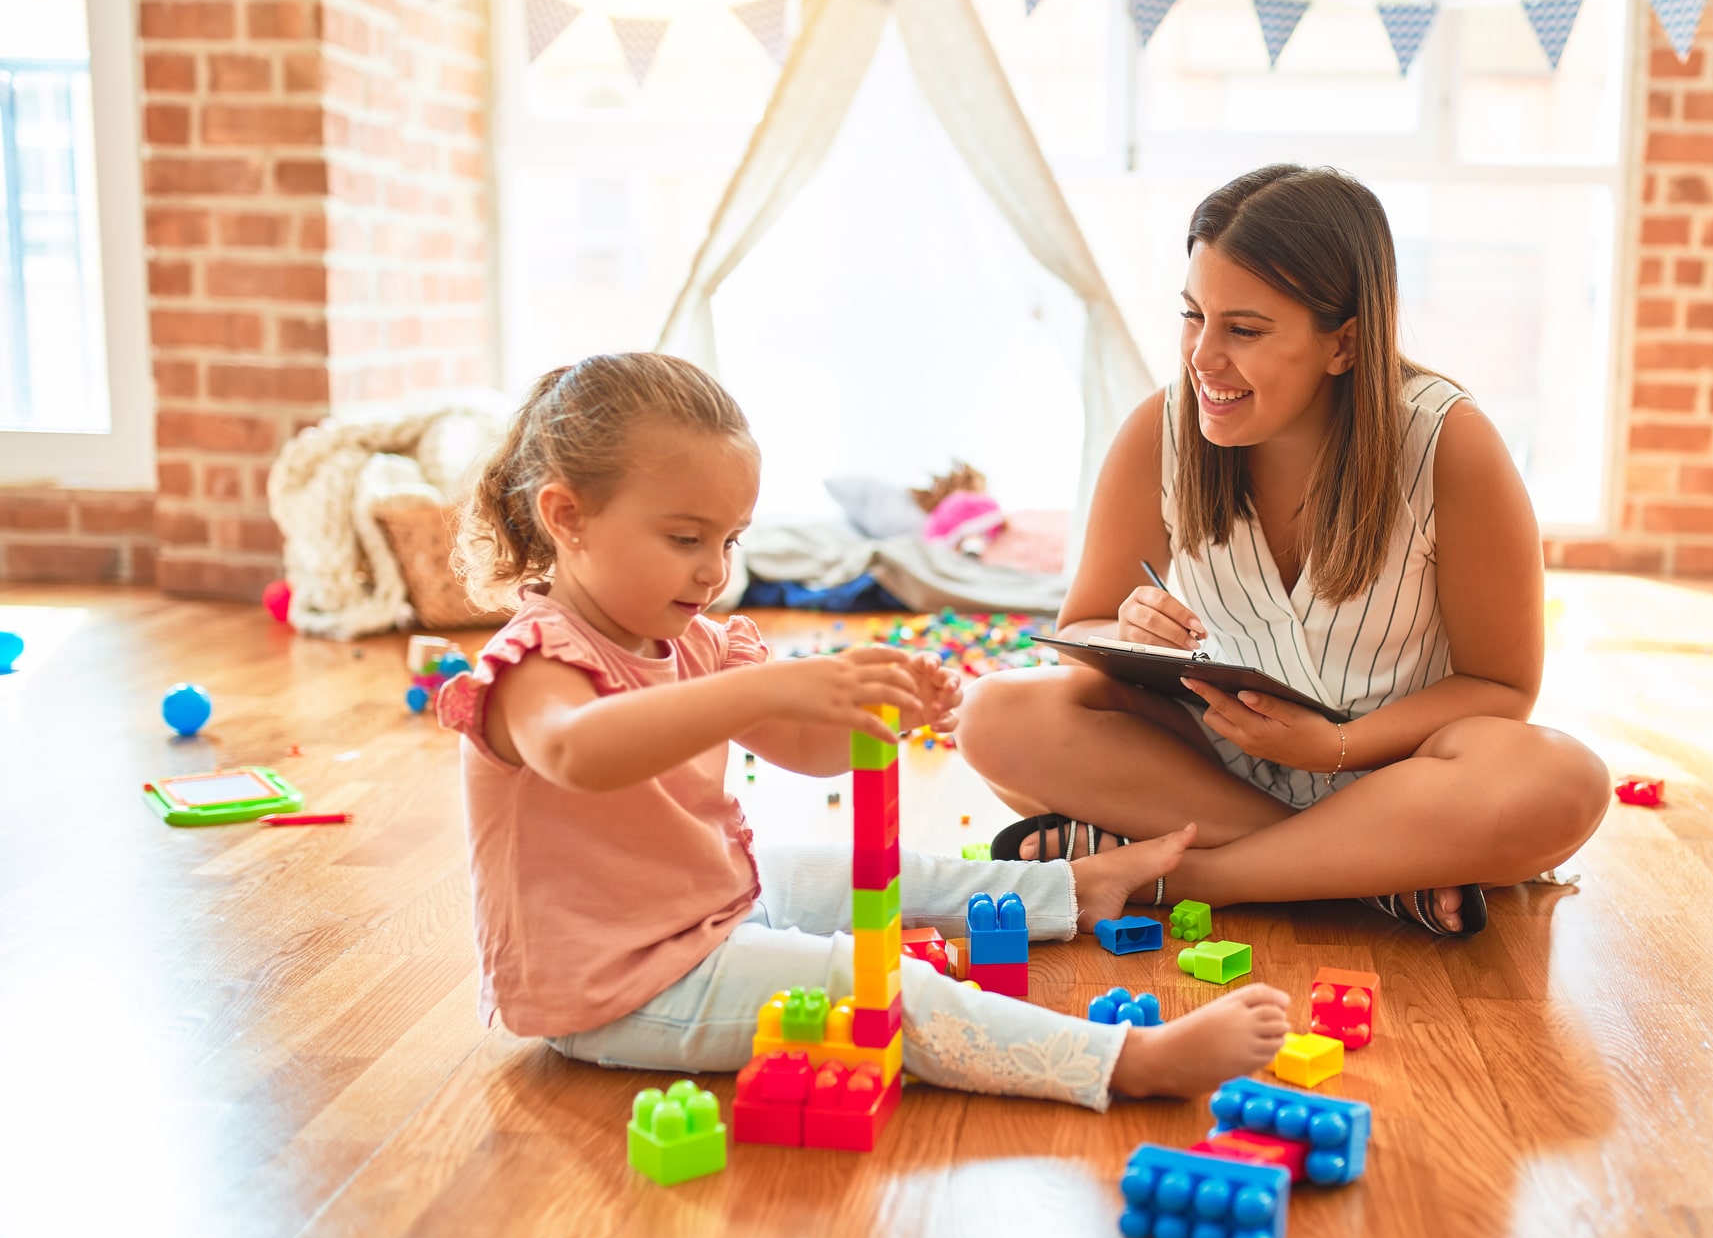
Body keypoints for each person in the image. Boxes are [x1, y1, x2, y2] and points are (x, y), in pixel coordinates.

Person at [439, 352, 1288, 1109]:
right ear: (568, 517)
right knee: (879, 986)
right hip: (617, 988)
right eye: (685, 538)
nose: (714, 569)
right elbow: (577, 751)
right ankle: (1122, 1062)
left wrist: (879, 719)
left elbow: (801, 750)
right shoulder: (531, 664)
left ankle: (1073, 891)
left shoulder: (690, 642)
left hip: (703, 915)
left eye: (731, 539)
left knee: (845, 872)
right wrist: (771, 684)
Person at [957, 166, 1610, 937]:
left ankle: (1189, 875)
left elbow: (1501, 686)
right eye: (1194, 316)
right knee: (995, 715)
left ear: (1345, 342)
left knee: (1563, 781)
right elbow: (1086, 635)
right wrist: (1127, 629)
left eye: (1245, 329)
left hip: (1406, 783)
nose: (1203, 357)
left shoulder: (1449, 445)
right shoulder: (1157, 432)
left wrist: (1339, 745)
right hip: (1212, 770)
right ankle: (1371, 876)